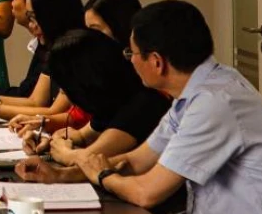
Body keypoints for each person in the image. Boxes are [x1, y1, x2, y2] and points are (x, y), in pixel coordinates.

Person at [17, 0, 262, 214]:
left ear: (156, 61)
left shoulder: (215, 102)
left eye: (131, 53)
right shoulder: (196, 91)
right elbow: (137, 160)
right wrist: (62, 175)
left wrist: (101, 175)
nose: (130, 61)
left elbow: (146, 192)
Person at [12, 29, 170, 167]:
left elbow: (85, 159)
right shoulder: (112, 101)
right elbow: (80, 136)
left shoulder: (142, 105)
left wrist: (63, 150)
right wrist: (46, 141)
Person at [11, 0, 144, 132]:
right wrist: (42, 123)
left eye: (95, 30)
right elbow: (79, 118)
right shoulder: (95, 68)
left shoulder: (140, 83)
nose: (88, 37)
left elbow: (99, 141)